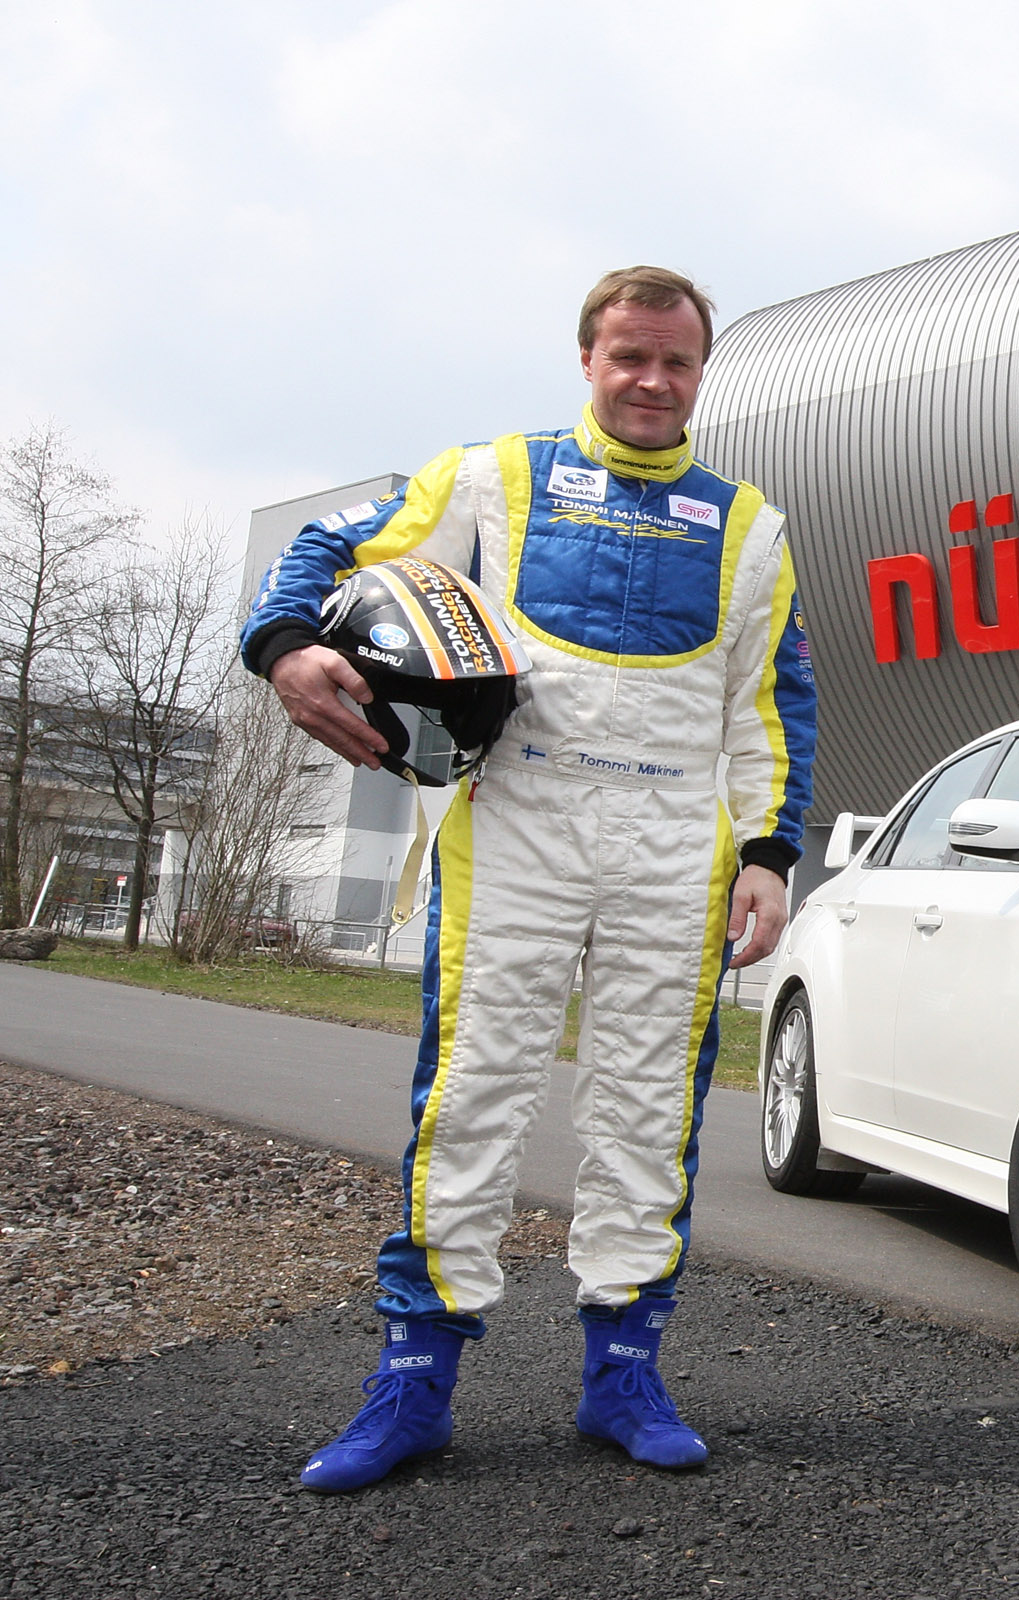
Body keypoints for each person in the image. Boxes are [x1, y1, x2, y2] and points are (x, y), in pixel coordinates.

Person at [241, 265, 817, 1492]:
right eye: (629, 356)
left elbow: (769, 708)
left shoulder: (750, 523)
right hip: (517, 824)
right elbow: (336, 545)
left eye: (675, 361)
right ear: (590, 360)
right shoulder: (493, 475)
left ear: (701, 372)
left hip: (676, 848)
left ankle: (625, 1374)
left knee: (648, 1112)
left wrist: (768, 852)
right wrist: (286, 644)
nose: (652, 380)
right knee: (472, 1095)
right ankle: (412, 1385)